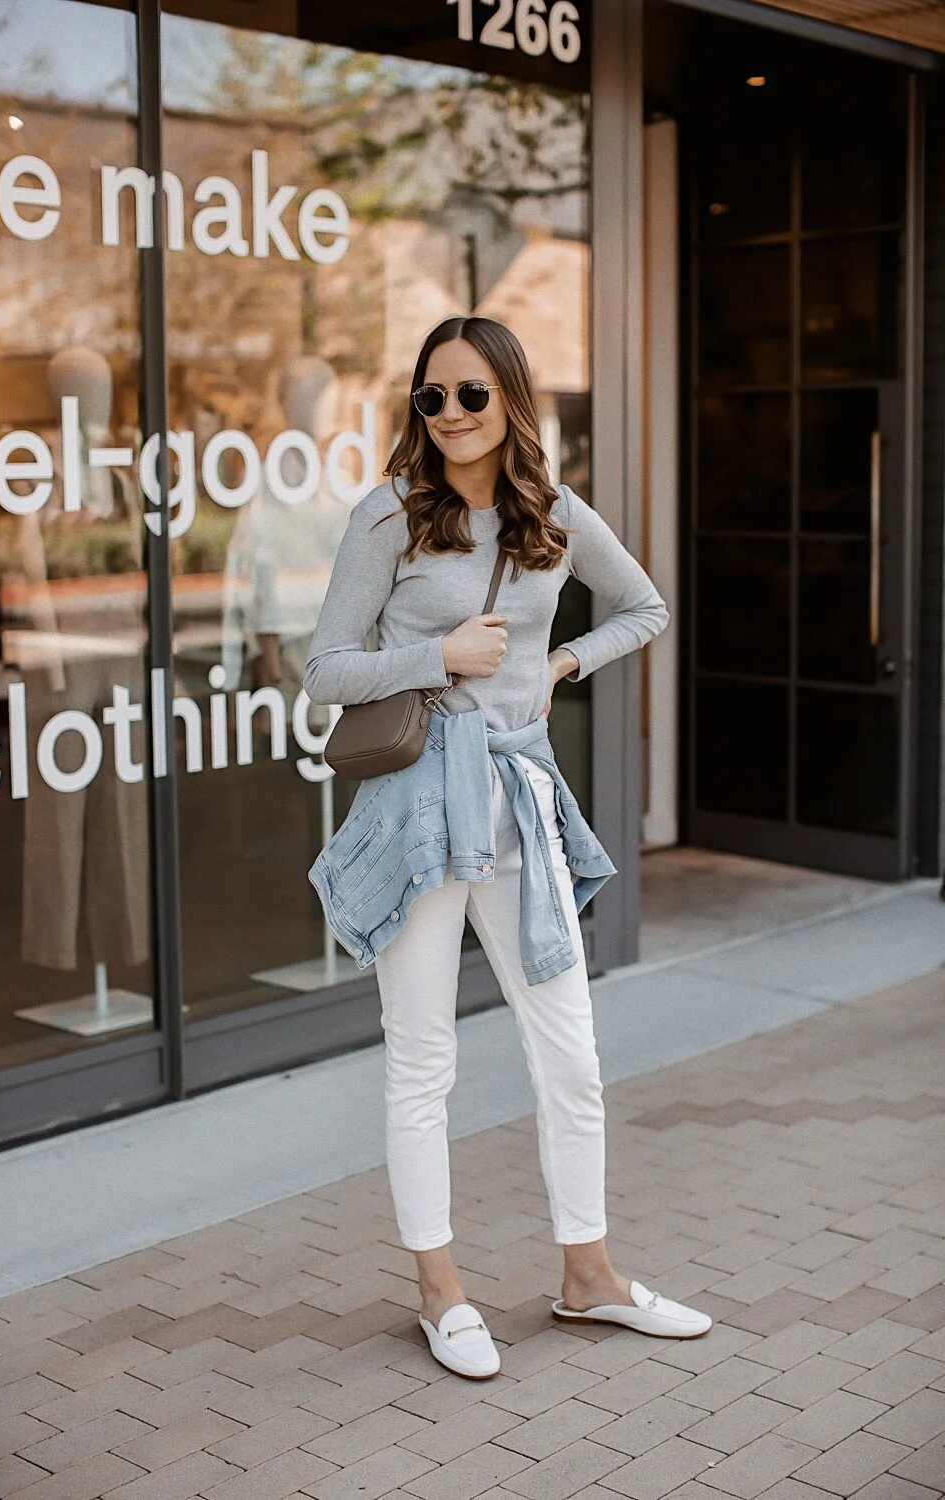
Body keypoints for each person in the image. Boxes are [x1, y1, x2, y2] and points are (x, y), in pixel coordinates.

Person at [304, 316, 711, 1380]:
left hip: (518, 801)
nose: (447, 415)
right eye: (429, 398)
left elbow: (645, 607)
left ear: (512, 402)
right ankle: (440, 1292)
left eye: (470, 396)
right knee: (422, 1058)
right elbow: (326, 669)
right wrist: (433, 653)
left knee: (570, 1052)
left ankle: (589, 1277)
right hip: (415, 812)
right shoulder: (388, 516)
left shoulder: (555, 516)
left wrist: (560, 663)